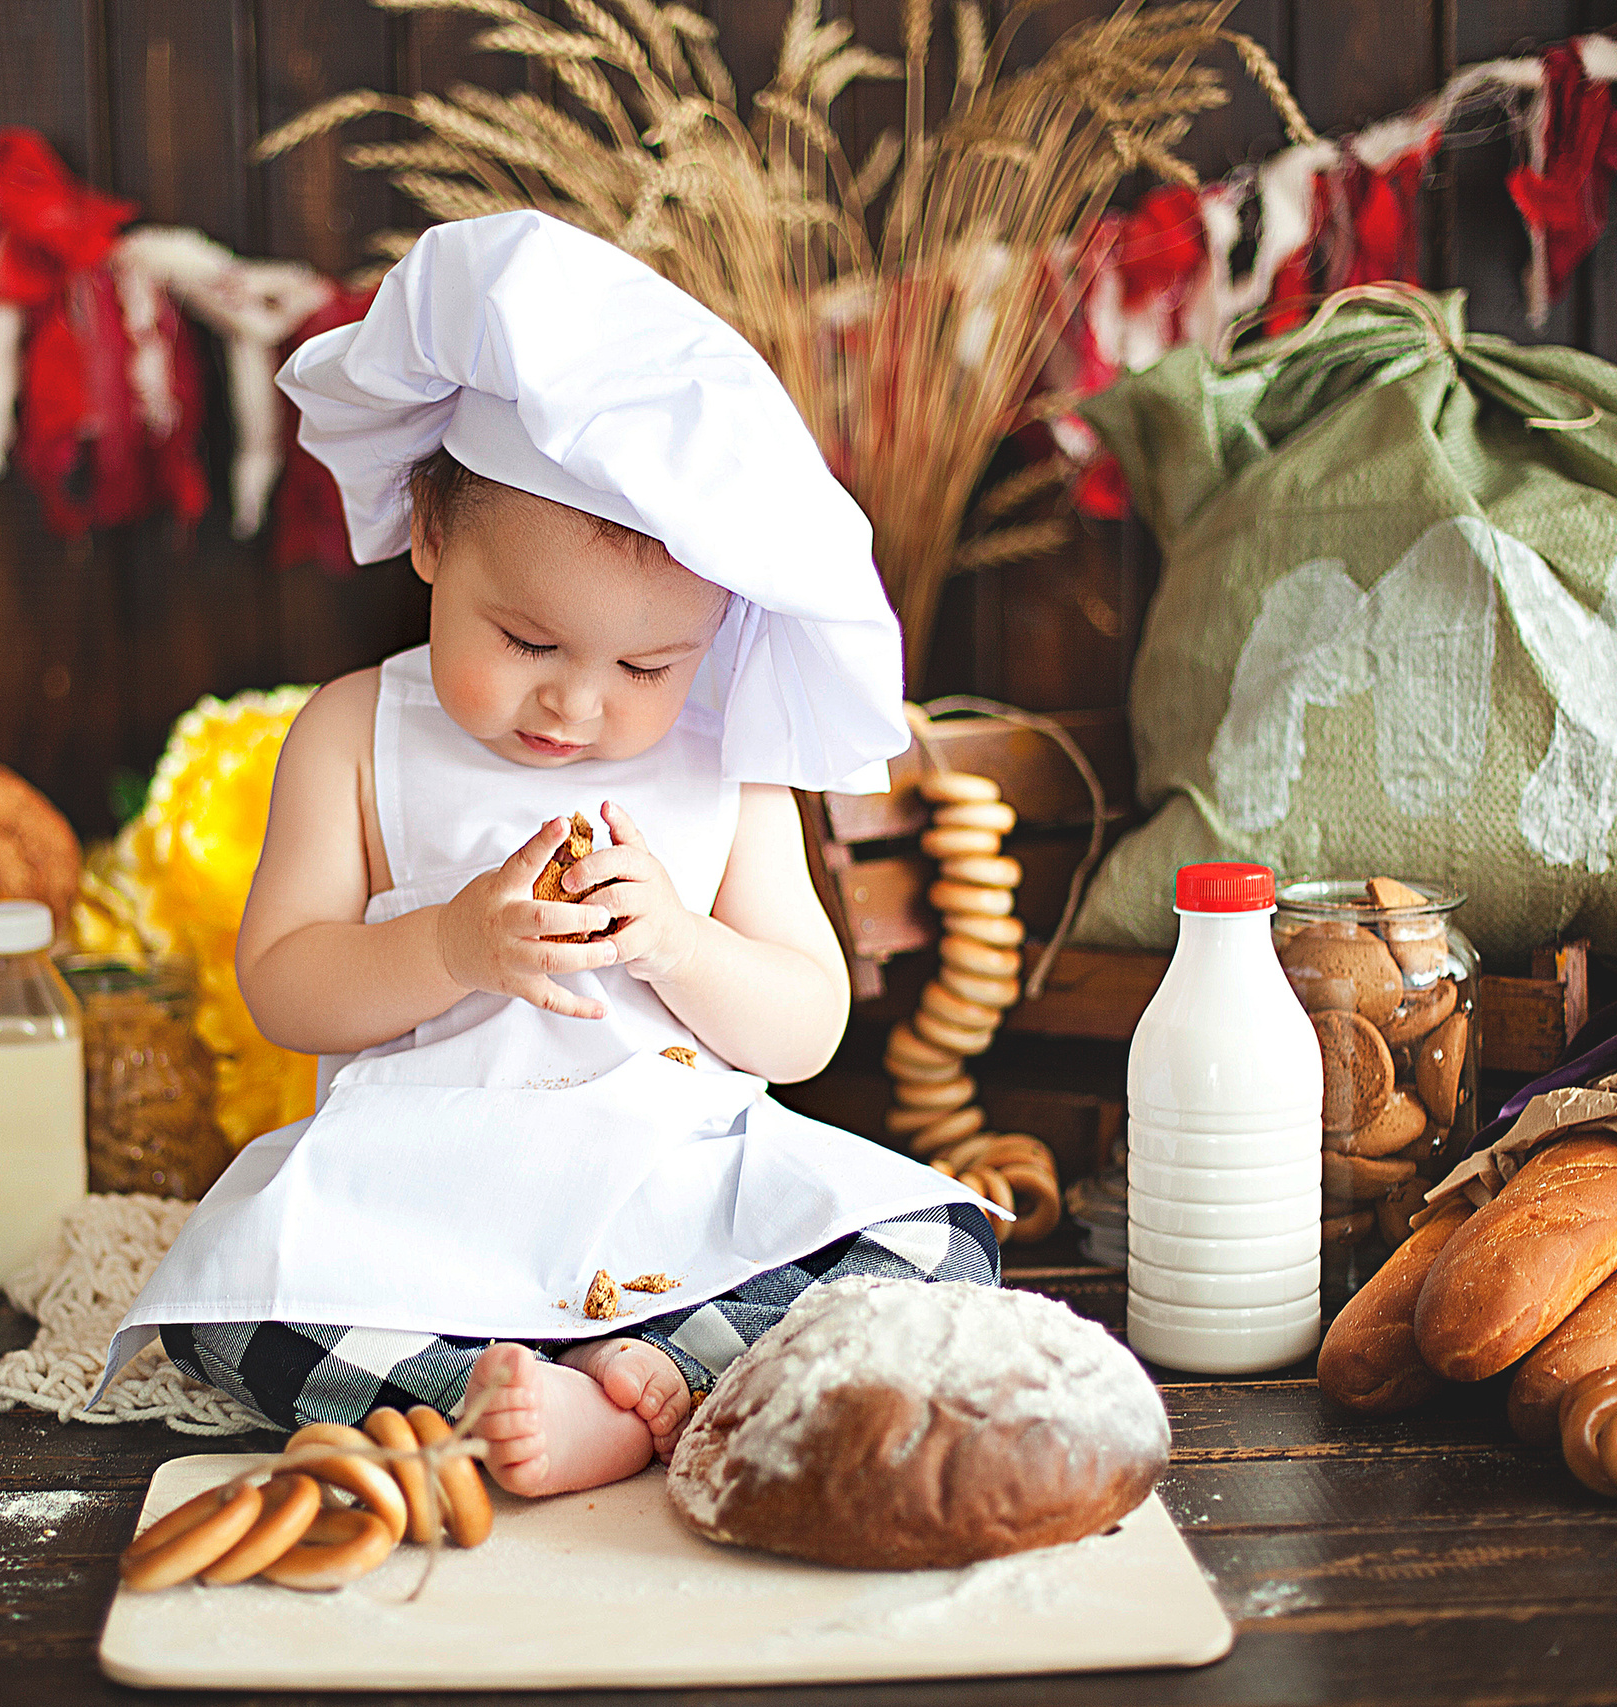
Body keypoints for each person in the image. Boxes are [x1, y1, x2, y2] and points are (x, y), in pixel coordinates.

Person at [100, 210, 1000, 1497]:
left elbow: (804, 1028)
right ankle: (551, 1389)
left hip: (672, 1187)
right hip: (418, 1197)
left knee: (939, 1247)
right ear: (428, 537)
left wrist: (683, 944)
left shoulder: (720, 756)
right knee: (227, 1320)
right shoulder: (356, 730)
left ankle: (623, 1394)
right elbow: (285, 984)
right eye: (524, 642)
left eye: (646, 666)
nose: (575, 708)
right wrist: (451, 943)